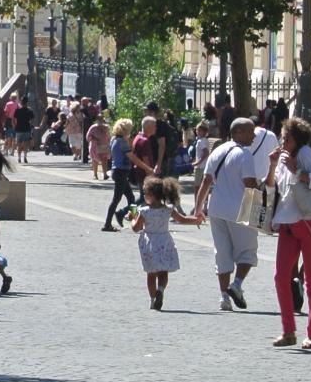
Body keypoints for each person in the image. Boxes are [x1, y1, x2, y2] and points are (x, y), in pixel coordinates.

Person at [193, 117, 263, 311]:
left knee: (222, 252)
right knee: (247, 252)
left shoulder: (218, 151)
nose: (254, 136)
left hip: (216, 209)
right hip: (240, 209)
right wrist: (259, 214)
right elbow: (250, 185)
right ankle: (237, 285)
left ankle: (224, 297)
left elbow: (206, 181)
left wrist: (198, 209)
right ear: (238, 133)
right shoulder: (245, 155)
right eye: (250, 132)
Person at [271, 117, 311, 349]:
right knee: (280, 277)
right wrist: (271, 164)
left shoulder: (305, 154)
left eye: (287, 138)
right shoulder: (284, 158)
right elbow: (271, 187)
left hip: (309, 223)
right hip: (288, 224)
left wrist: (298, 171)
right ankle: (288, 331)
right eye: (282, 137)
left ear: (298, 139)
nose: (283, 142)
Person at [131, 176, 203, 309]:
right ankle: (161, 290)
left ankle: (152, 300)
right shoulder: (168, 209)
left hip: (149, 243)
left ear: (151, 195)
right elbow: (183, 220)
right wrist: (196, 220)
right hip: (164, 241)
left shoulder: (143, 211)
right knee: (163, 271)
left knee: (151, 273)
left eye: (145, 193)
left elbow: (136, 228)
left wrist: (132, 218)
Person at [103, 117, 152, 231]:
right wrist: (147, 168)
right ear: (125, 130)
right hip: (120, 172)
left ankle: (132, 219)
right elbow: (133, 158)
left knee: (131, 198)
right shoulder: (121, 142)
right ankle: (107, 224)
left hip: (119, 171)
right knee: (116, 199)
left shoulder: (114, 139)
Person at [86, 111, 111, 181]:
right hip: (95, 146)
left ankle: (105, 174)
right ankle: (95, 174)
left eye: (101, 119)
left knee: (105, 159)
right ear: (96, 120)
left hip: (104, 145)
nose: (100, 120)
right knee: (95, 160)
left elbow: (110, 136)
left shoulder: (107, 127)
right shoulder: (93, 127)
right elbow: (88, 137)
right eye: (99, 119)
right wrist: (93, 138)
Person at [12, 97, 33, 163]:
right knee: (26, 144)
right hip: (27, 129)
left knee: (19, 144)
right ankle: (25, 157)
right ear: (27, 103)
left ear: (21, 103)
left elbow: (14, 119)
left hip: (18, 129)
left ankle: (19, 158)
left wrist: (14, 126)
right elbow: (31, 119)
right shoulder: (29, 110)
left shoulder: (17, 110)